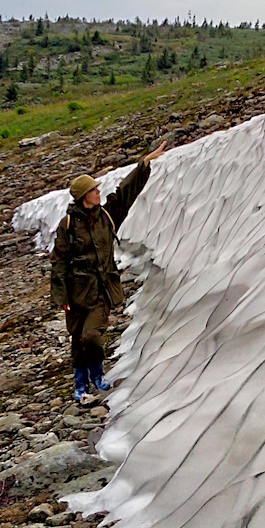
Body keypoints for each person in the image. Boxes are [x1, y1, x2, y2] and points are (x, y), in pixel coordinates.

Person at [50, 142, 166, 401]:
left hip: (101, 289)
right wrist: (61, 298)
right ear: (83, 196)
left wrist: (144, 164)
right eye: (94, 190)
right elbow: (58, 261)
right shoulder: (67, 225)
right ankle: (80, 384)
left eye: (98, 188)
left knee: (91, 337)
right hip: (76, 292)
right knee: (78, 341)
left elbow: (126, 192)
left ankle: (98, 376)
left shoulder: (108, 215)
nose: (98, 192)